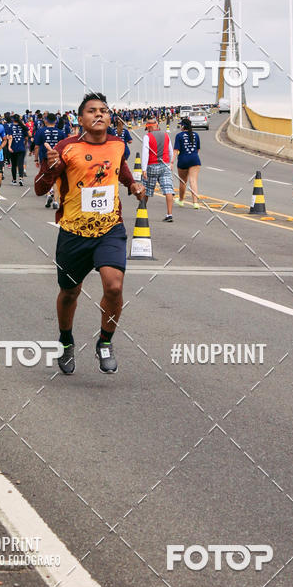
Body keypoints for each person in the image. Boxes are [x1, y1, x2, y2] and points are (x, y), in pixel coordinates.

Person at [35, 92, 146, 375]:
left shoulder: (118, 144)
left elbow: (119, 168)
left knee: (114, 286)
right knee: (69, 292)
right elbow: (39, 188)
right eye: (92, 110)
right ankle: (66, 341)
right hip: (73, 233)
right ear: (81, 119)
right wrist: (49, 167)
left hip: (110, 229)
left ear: (109, 117)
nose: (99, 114)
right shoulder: (66, 148)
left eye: (104, 111)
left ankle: (105, 342)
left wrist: (132, 185)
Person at [141, 117, 175, 222]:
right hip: (165, 165)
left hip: (152, 165)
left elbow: (145, 153)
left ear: (149, 127)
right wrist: (170, 163)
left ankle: (142, 210)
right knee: (168, 189)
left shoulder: (147, 137)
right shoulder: (166, 135)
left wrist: (144, 169)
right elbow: (170, 151)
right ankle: (169, 214)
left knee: (146, 189)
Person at [33, 112, 65, 209]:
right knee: (56, 179)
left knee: (46, 177)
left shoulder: (40, 131)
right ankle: (55, 201)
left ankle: (48, 194)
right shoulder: (60, 132)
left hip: (45, 158)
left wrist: (36, 159)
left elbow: (37, 146)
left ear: (46, 121)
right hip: (57, 159)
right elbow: (64, 147)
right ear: (55, 121)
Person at [172, 118, 201, 208]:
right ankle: (195, 203)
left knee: (183, 181)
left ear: (183, 126)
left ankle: (181, 200)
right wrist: (193, 155)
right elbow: (198, 149)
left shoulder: (179, 136)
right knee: (193, 180)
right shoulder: (196, 135)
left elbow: (176, 150)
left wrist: (171, 162)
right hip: (195, 159)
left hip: (183, 160)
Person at [7, 114, 29, 185]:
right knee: (20, 163)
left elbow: (10, 137)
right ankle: (21, 178)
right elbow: (26, 137)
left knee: (13, 164)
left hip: (13, 147)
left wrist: (9, 146)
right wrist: (25, 144)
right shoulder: (23, 126)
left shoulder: (10, 126)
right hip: (21, 147)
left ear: (13, 119)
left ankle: (14, 180)